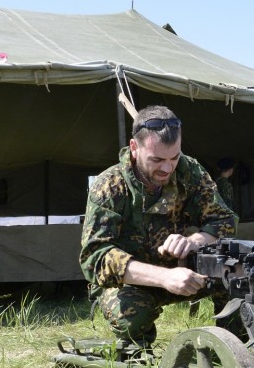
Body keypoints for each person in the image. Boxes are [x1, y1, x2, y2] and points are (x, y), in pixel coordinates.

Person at [79, 105, 238, 347]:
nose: (167, 168)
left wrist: (194, 241)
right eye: (157, 159)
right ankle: (139, 356)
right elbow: (96, 258)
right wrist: (165, 277)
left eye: (174, 158)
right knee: (132, 317)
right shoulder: (110, 186)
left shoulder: (189, 170)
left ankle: (239, 351)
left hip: (186, 273)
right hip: (133, 282)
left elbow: (224, 220)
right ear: (134, 148)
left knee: (239, 277)